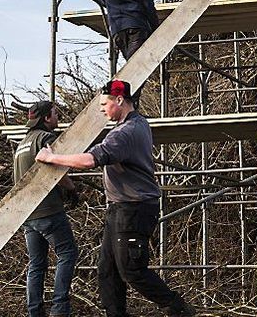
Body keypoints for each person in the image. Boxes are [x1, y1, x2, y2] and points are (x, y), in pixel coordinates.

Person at [36, 80, 196, 317]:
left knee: (132, 270)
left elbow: (89, 161)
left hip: (133, 208)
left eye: (104, 103)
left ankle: (179, 309)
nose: (101, 109)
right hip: (121, 208)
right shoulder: (138, 123)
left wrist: (52, 158)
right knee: (107, 270)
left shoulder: (125, 133)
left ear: (119, 100)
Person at [14, 100, 80, 317]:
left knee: (37, 264)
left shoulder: (21, 144)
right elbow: (56, 168)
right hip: (48, 209)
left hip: (27, 213)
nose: (57, 117)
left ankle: (35, 312)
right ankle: (59, 308)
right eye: (54, 113)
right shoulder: (45, 138)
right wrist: (72, 190)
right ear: (45, 118)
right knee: (67, 253)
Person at [92, 0, 159, 102]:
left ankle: (126, 100)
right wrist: (156, 28)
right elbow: (149, 6)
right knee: (137, 66)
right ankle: (129, 102)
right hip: (136, 27)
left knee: (132, 65)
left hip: (117, 29)